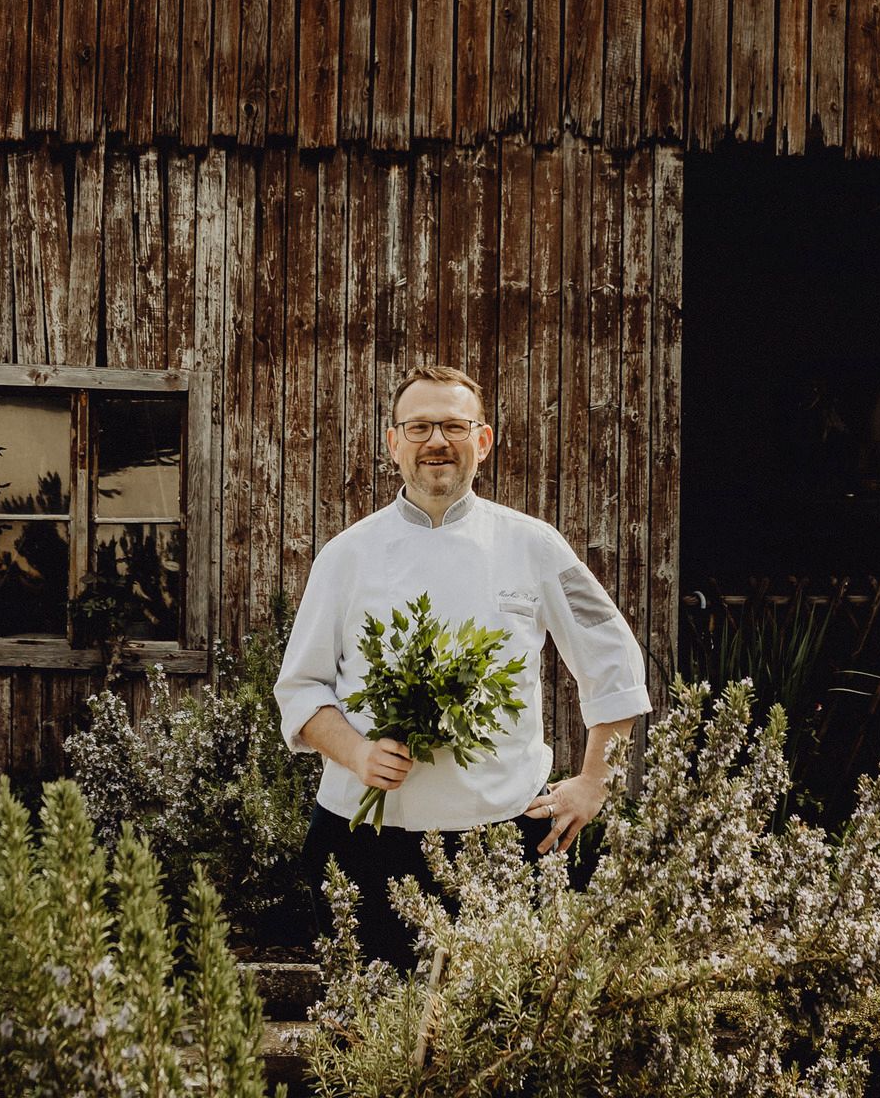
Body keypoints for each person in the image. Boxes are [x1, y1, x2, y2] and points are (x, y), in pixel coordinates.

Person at [274, 361, 652, 966]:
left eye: (453, 426)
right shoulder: (345, 556)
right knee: (372, 1039)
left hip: (501, 837)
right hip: (363, 841)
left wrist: (593, 783)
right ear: (392, 442)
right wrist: (359, 753)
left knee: (497, 1038)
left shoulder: (534, 545)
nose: (436, 443)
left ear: (483, 440)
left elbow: (613, 657)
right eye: (419, 427)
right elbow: (301, 689)